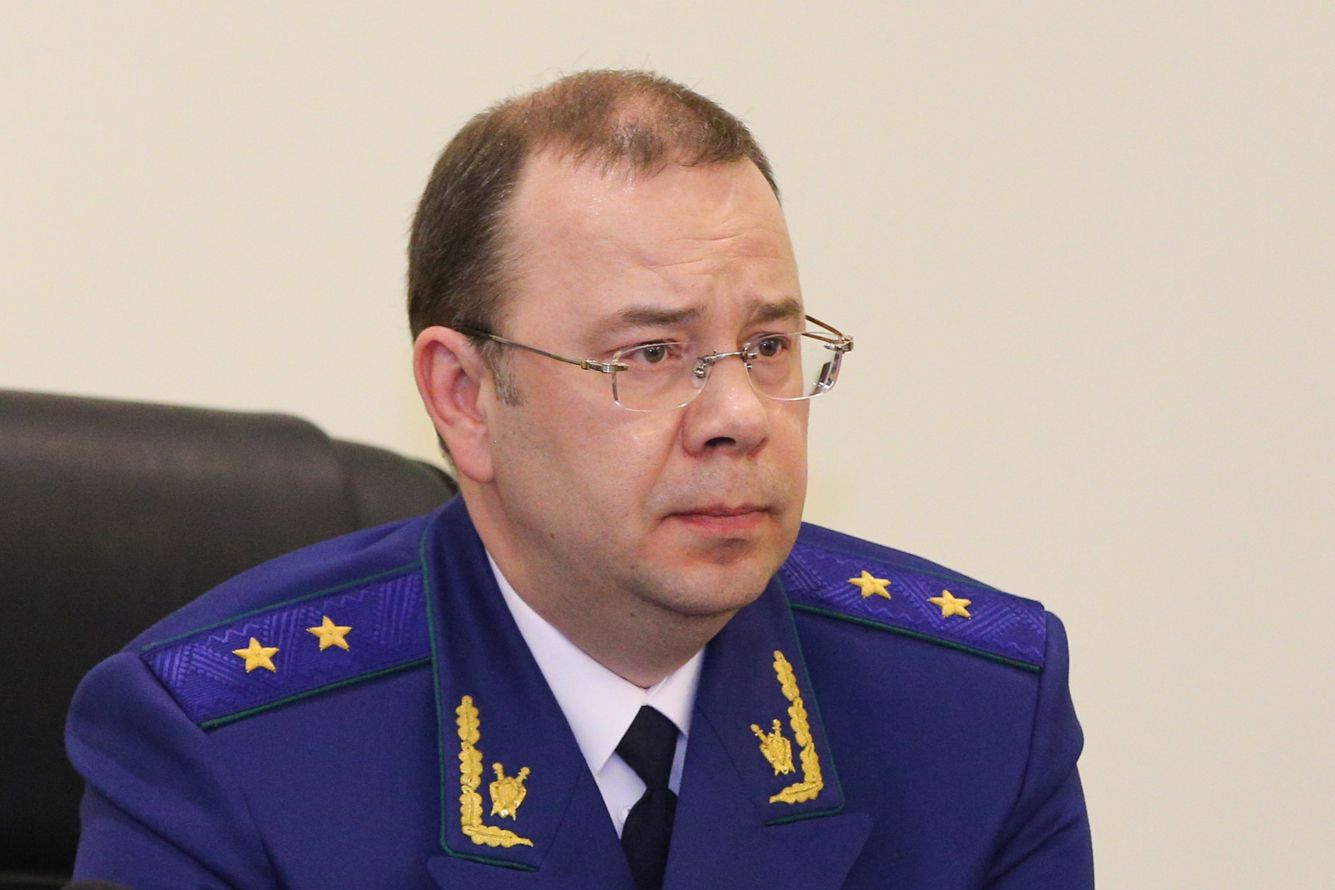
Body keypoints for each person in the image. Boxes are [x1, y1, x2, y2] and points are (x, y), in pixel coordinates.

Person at [66, 70, 1093, 889]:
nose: (739, 416)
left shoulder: (979, 709)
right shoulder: (226, 741)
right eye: (648, 354)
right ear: (466, 397)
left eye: (768, 345)